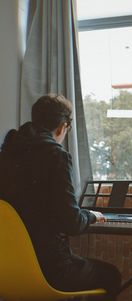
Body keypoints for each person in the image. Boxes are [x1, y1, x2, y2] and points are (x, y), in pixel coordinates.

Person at [0, 94, 121, 300]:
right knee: (110, 275)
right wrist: (91, 215)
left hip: (8, 270)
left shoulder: (6, 153)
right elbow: (71, 223)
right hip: (52, 271)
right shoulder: (55, 155)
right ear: (62, 127)